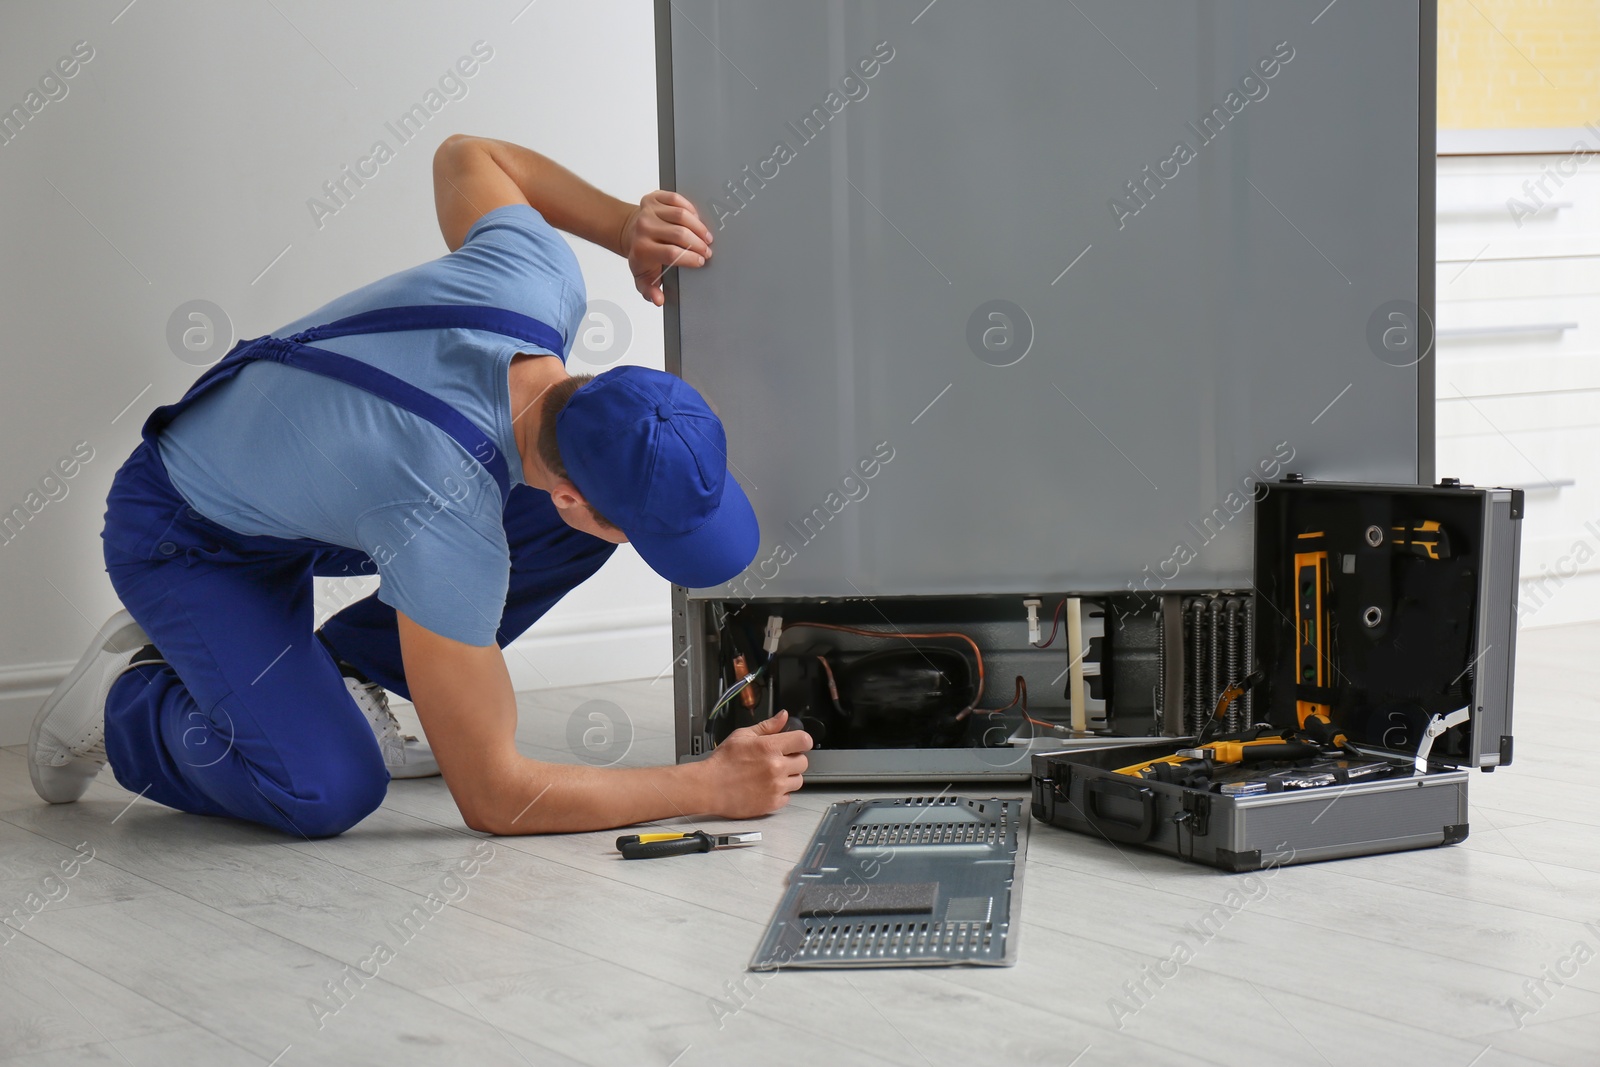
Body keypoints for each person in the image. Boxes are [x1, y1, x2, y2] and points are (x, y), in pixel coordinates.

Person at [28, 134, 812, 838]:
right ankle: (127, 701)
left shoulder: (537, 280)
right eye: (642, 531)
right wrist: (702, 786)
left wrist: (621, 228)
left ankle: (327, 680)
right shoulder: (444, 516)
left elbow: (469, 156)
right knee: (327, 788)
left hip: (305, 488)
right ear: (574, 493)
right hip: (185, 535)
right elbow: (496, 797)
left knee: (547, 538)